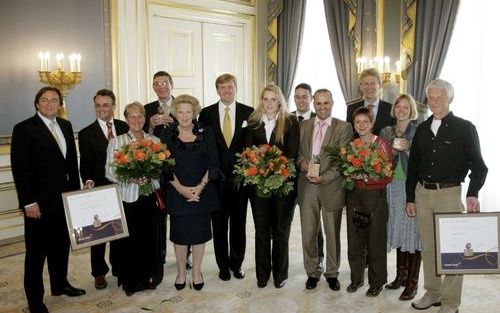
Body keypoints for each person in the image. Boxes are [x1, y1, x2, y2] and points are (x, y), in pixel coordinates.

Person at [406, 79, 488, 313]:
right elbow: (412, 167)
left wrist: (473, 193)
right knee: (429, 247)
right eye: (430, 98)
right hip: (423, 194)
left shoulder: (465, 128)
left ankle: (450, 303)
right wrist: (410, 197)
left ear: (450, 98)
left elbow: (479, 167)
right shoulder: (421, 129)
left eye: (439, 98)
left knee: (453, 249)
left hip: (449, 194)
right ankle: (433, 292)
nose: (434, 102)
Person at [11, 86, 85, 313]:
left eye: (55, 100)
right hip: (38, 204)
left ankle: (60, 284)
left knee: (61, 247)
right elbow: (20, 170)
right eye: (45, 100)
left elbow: (72, 164)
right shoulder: (24, 128)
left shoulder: (66, 125)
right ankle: (35, 301)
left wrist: (75, 196)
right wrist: (28, 202)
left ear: (60, 105)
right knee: (36, 254)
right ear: (37, 104)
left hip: (64, 201)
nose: (50, 104)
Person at [161, 94, 221, 291]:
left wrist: (199, 188)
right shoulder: (167, 135)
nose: (185, 116)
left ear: (194, 113)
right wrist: (182, 190)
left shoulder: (207, 133)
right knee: (179, 235)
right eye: (180, 112)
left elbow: (213, 164)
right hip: (177, 192)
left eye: (189, 112)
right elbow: (165, 167)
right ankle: (180, 272)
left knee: (199, 235)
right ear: (175, 113)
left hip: (201, 192)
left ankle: (196, 272)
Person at [198, 74, 253, 281]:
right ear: (217, 90)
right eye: (222, 87)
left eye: (229, 87)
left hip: (240, 180)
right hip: (216, 180)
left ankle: (236, 264)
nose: (226, 91)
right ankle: (222, 266)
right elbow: (202, 146)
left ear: (235, 88)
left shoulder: (249, 113)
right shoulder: (206, 114)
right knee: (219, 226)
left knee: (239, 225)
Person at [105, 102, 164, 296]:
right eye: (132, 117)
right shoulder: (117, 141)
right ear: (126, 119)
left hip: (148, 197)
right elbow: (109, 171)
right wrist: (131, 177)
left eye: (140, 116)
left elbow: (161, 169)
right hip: (127, 198)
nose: (136, 120)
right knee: (129, 241)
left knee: (149, 239)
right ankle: (129, 281)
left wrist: (151, 176)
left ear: (145, 118)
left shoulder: (154, 140)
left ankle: (148, 277)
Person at [296, 89, 353, 291]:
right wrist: (302, 164)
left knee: (332, 233)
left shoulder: (344, 127)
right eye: (318, 103)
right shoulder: (303, 126)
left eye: (326, 103)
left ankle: (332, 272)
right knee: (308, 232)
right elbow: (297, 154)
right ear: (313, 104)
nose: (322, 107)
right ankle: (312, 272)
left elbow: (342, 161)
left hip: (331, 186)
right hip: (307, 186)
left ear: (332, 103)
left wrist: (324, 177)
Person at [244, 84, 299, 289]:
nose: (269, 103)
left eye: (273, 99)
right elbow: (249, 152)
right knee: (261, 232)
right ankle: (262, 275)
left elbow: (292, 153)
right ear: (261, 101)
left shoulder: (291, 121)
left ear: (280, 101)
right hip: (259, 186)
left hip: (283, 185)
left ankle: (280, 274)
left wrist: (275, 170)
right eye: (265, 99)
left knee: (281, 231)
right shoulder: (253, 122)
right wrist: (261, 171)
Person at [78, 89, 129, 290]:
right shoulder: (86, 133)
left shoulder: (125, 127)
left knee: (119, 230)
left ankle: (118, 266)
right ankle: (99, 272)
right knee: (98, 234)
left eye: (105, 105)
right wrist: (88, 180)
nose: (101, 109)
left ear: (113, 106)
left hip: (124, 187)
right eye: (98, 105)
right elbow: (86, 164)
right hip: (99, 189)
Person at [346, 107, 393, 297]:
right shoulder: (352, 146)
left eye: (365, 121)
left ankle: (377, 281)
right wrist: (350, 175)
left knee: (375, 240)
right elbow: (345, 171)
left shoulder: (381, 144)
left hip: (376, 196)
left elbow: (388, 175)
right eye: (358, 122)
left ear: (372, 123)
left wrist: (366, 177)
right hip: (355, 196)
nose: (362, 125)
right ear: (354, 125)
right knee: (355, 239)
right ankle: (356, 279)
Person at [380, 94, 422, 301]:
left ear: (412, 110)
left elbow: (425, 160)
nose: (402, 110)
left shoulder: (420, 130)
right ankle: (401, 276)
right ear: (394, 109)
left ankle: (413, 283)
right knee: (398, 230)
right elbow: (380, 158)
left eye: (406, 107)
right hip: (392, 187)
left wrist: (409, 149)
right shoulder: (386, 131)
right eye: (399, 106)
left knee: (412, 234)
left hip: (411, 187)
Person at [292, 83, 325, 273]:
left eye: (305, 96)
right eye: (297, 97)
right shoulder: (286, 119)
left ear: (311, 99)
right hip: (288, 180)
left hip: (311, 180)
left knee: (314, 225)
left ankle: (318, 259)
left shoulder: (318, 119)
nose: (301, 100)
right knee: (283, 225)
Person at [346, 68, 393, 135]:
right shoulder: (352, 109)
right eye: (366, 84)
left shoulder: (390, 109)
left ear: (379, 85)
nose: (369, 87)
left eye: (372, 83)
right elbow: (350, 135)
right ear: (361, 87)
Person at [144, 71, 176, 137]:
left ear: (172, 85)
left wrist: (174, 124)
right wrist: (151, 126)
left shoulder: (185, 106)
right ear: (153, 88)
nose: (161, 87)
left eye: (164, 83)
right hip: (155, 146)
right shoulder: (146, 109)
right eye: (157, 84)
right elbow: (142, 135)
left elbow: (193, 130)